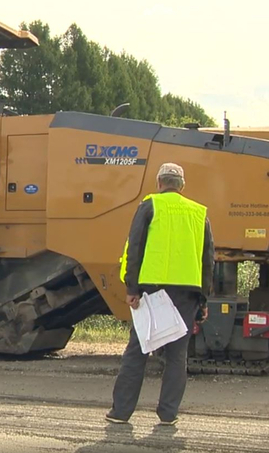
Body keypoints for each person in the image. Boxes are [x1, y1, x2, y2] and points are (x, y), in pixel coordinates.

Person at [107, 162, 215, 426]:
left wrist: (132, 289)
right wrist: (203, 300)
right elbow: (208, 260)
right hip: (187, 294)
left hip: (152, 291)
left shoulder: (149, 206)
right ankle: (168, 414)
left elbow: (135, 249)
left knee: (138, 351)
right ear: (182, 187)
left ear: (158, 183)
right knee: (177, 356)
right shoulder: (199, 214)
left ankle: (121, 413)